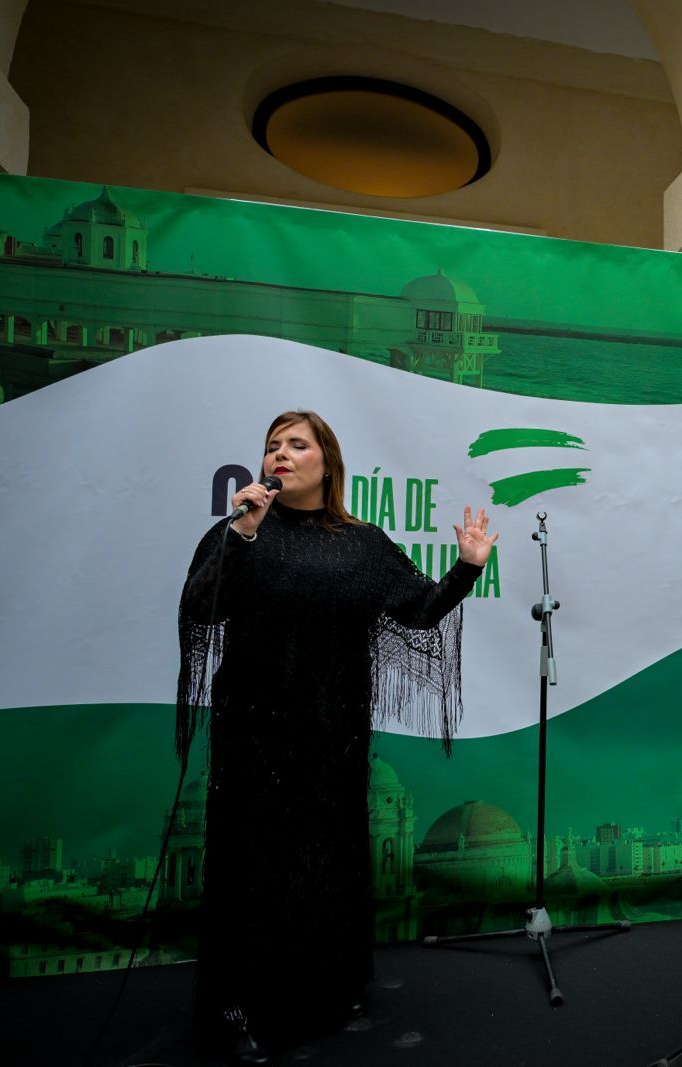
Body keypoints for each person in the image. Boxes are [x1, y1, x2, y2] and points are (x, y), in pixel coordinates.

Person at [176, 410, 497, 1061]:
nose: (281, 453)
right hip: (254, 739)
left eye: (298, 443)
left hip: (333, 740)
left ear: (329, 461)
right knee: (250, 867)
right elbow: (198, 605)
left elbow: (419, 609)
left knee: (324, 862)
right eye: (273, 445)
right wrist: (240, 531)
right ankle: (234, 1002)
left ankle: (324, 985)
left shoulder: (363, 543)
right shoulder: (241, 530)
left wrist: (466, 567)